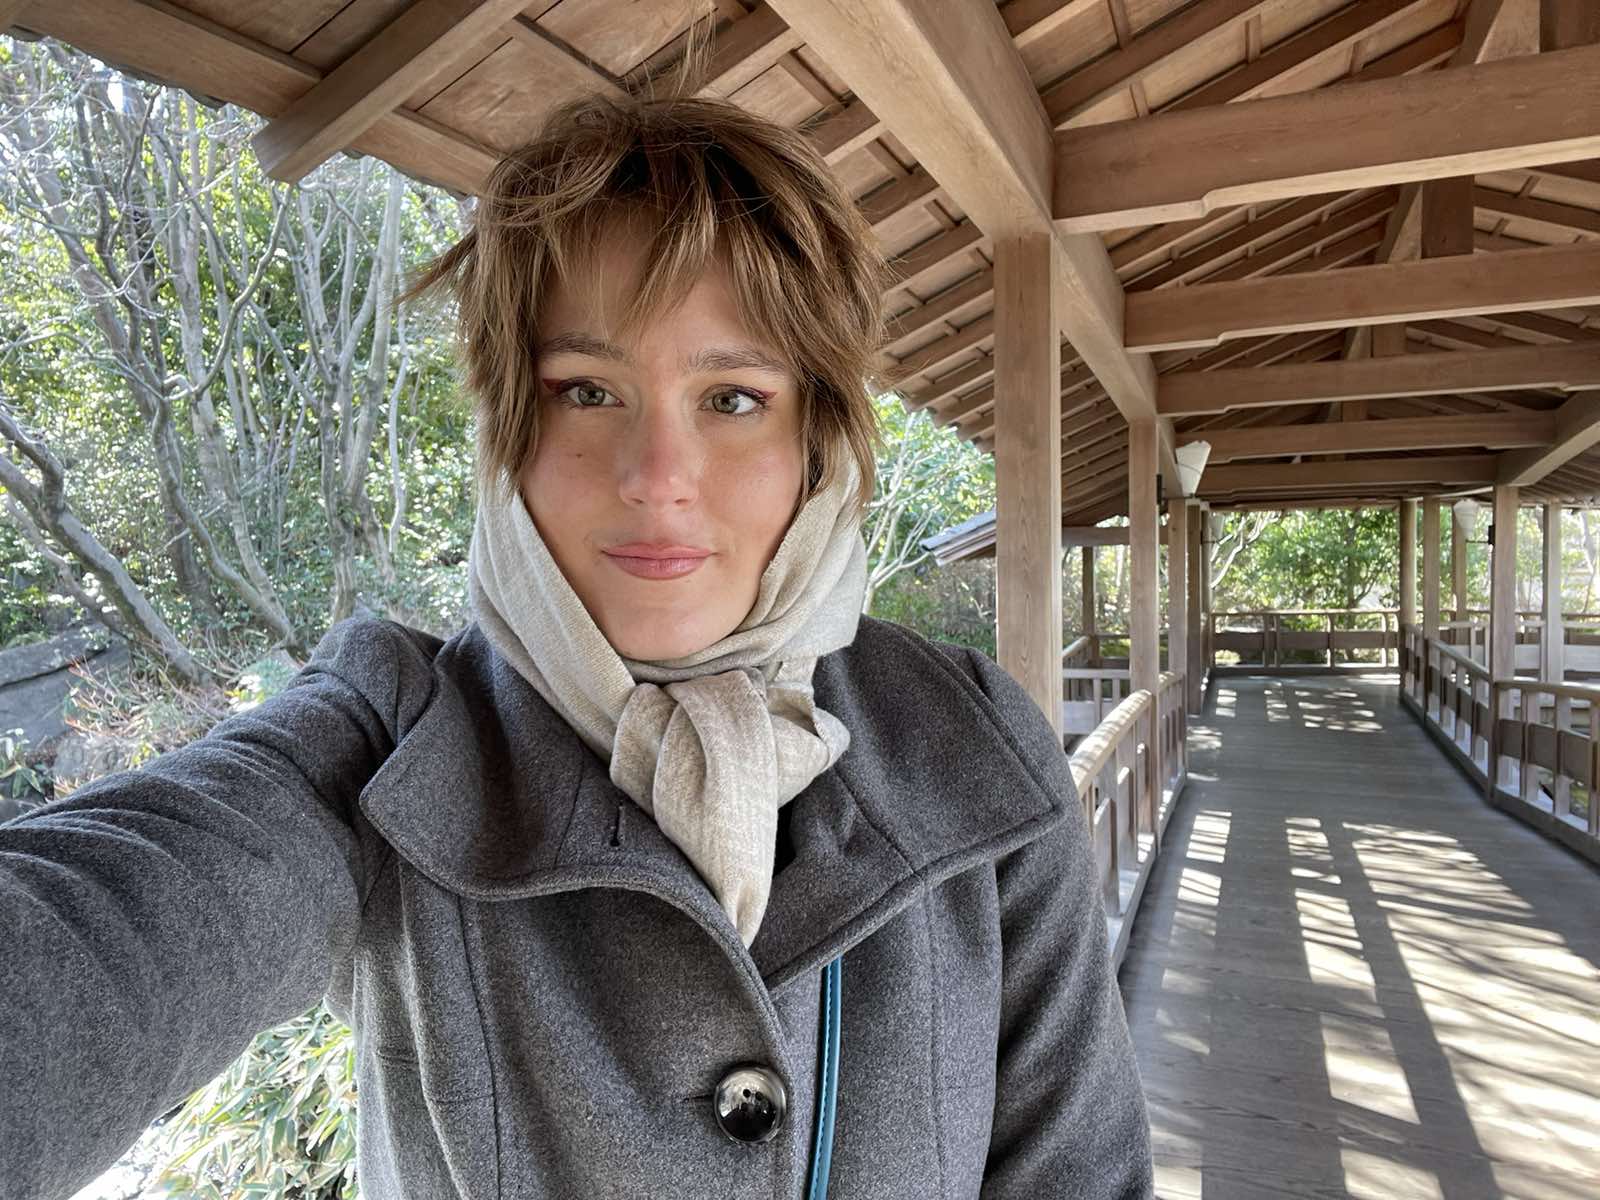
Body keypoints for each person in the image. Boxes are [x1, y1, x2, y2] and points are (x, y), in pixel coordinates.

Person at [0, 54, 1155, 1200]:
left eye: (733, 398)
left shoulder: (970, 741)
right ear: (509, 424)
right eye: (586, 391)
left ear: (816, 439)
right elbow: (107, 923)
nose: (657, 476)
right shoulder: (390, 739)